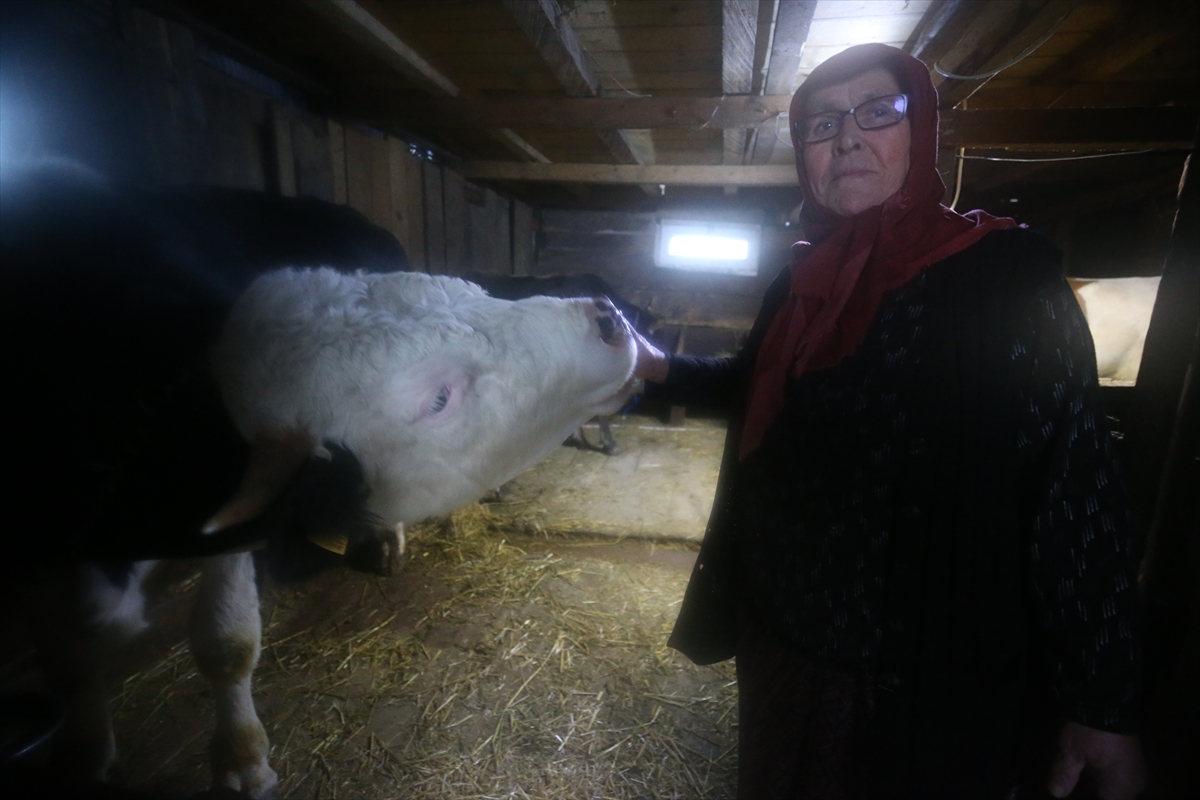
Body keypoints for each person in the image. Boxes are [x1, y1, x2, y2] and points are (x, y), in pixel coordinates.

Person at [634, 44, 1147, 799]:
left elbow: (1075, 489)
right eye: (821, 123)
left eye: (878, 112)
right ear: (805, 155)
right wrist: (658, 371)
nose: (846, 138)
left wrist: (1102, 701)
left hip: (921, 679)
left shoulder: (1005, 276)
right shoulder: (800, 279)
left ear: (923, 133)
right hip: (780, 642)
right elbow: (755, 393)